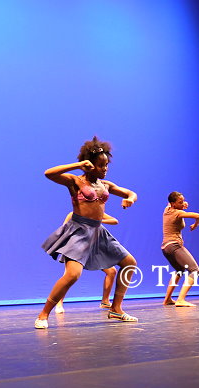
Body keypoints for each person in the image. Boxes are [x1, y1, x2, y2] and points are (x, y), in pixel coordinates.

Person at [37, 136, 138, 329]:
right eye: (101, 165)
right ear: (89, 165)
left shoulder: (105, 185)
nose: (105, 169)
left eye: (106, 165)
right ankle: (43, 314)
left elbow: (130, 193)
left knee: (129, 263)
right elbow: (49, 173)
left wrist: (130, 199)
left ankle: (116, 308)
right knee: (73, 275)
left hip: (98, 232)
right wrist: (77, 165)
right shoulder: (75, 181)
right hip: (79, 231)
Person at [54, 212, 118, 314]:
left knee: (111, 271)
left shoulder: (97, 212)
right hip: (75, 248)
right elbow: (63, 230)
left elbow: (114, 221)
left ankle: (105, 301)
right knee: (69, 276)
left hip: (92, 249)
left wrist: (97, 221)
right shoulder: (73, 214)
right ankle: (59, 303)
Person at [161, 192, 199, 307]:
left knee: (179, 270)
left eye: (183, 201)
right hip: (174, 245)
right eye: (180, 202)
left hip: (165, 247)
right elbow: (198, 216)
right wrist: (196, 224)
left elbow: (171, 203)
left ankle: (167, 299)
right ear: (173, 204)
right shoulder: (178, 213)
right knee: (195, 271)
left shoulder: (167, 210)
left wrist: (182, 204)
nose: (183, 203)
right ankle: (180, 299)